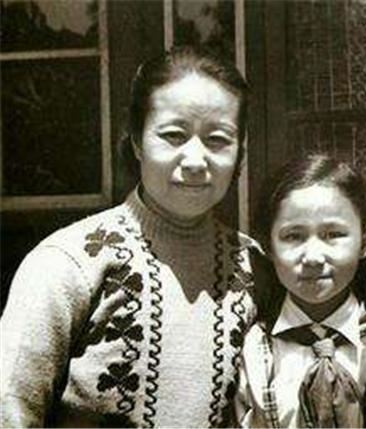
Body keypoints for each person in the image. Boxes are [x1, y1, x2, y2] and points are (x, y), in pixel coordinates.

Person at [0, 45, 264, 427]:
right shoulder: (68, 263)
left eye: (218, 139)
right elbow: (8, 409)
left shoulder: (256, 269)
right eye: (173, 135)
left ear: (241, 152)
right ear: (137, 141)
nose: (195, 161)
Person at [235, 154, 366, 428]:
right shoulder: (248, 350)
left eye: (333, 234)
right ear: (268, 246)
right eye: (293, 236)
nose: (313, 257)